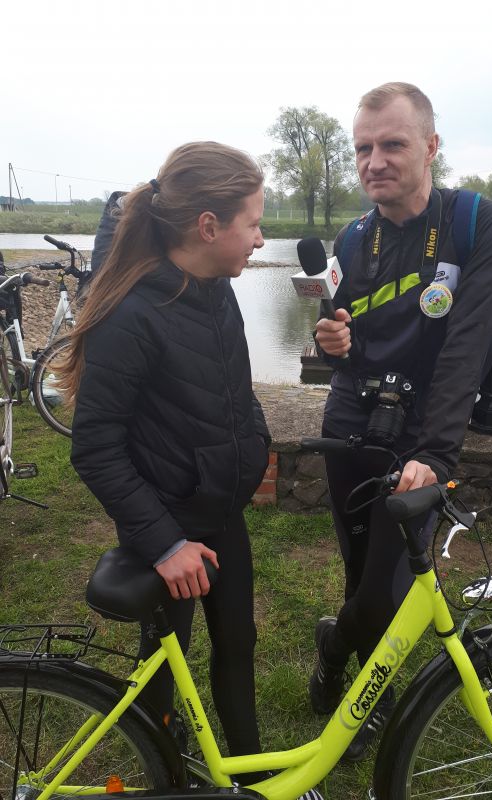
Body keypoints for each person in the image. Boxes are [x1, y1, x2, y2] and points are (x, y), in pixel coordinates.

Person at [59, 141, 323, 799]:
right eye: (253, 224)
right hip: (165, 529)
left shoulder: (216, 291)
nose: (260, 239)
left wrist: (253, 441)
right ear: (208, 226)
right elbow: (95, 447)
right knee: (162, 663)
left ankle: (251, 774)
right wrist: (165, 544)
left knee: (238, 645)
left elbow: (232, 388)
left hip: (222, 515)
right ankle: (162, 767)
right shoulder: (133, 315)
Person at [309, 82, 492, 761]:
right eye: (363, 148)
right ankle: (366, 689)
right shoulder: (351, 236)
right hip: (352, 417)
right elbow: (340, 337)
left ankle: (336, 647)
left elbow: (468, 347)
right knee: (359, 566)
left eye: (392, 144)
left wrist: (436, 451)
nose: (374, 162)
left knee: (388, 588)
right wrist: (331, 342)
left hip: (421, 427)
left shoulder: (478, 223)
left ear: (431, 146)